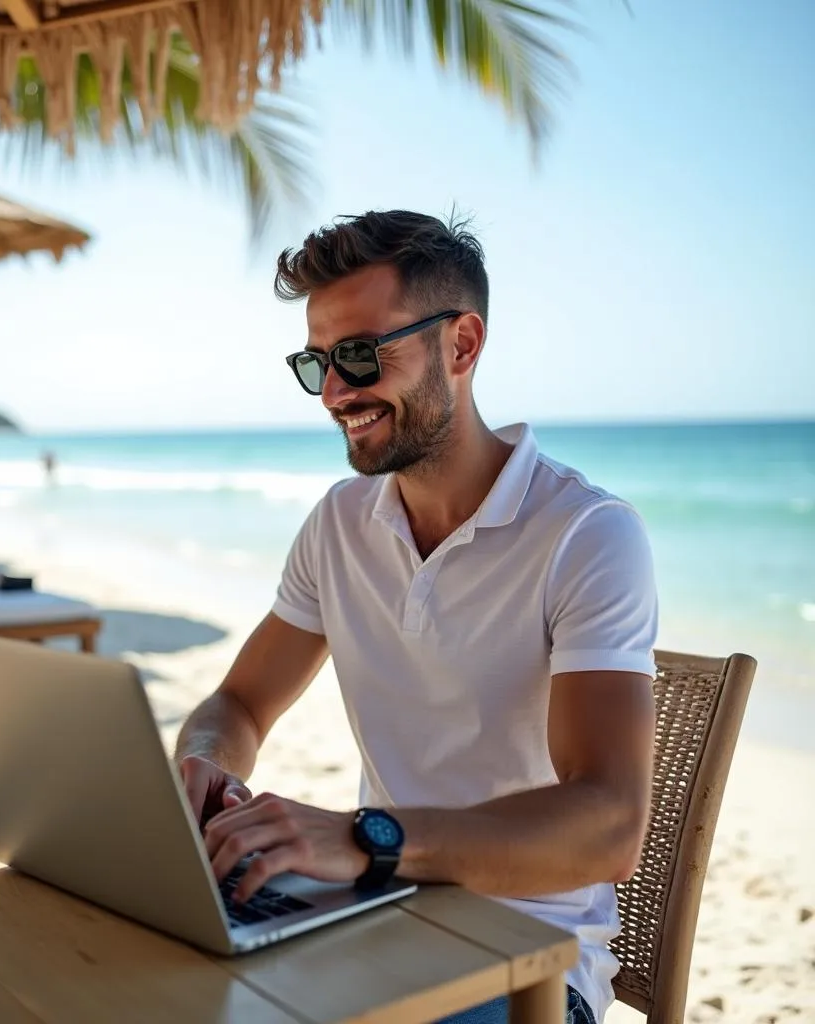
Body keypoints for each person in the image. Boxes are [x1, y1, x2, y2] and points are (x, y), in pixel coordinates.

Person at [175, 210, 658, 1024]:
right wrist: (203, 763)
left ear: (461, 345)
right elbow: (243, 704)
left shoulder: (587, 533)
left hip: (527, 960)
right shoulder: (340, 524)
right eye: (316, 364)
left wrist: (366, 839)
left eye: (360, 356)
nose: (334, 392)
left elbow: (609, 824)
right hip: (371, 914)